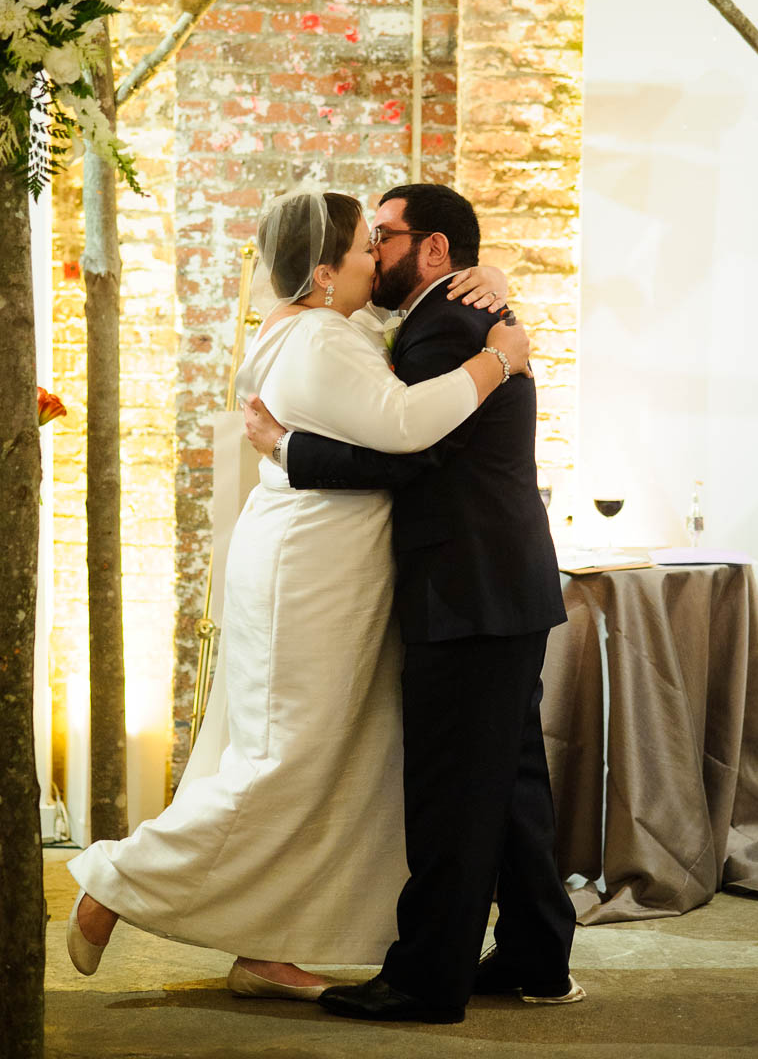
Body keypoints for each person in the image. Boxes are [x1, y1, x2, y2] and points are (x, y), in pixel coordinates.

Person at [65, 188, 527, 1000]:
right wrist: (499, 356)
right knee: (287, 759)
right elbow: (407, 424)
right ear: (322, 274)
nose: (372, 260)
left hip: (326, 562)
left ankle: (265, 947)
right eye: (361, 249)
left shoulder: (326, 328)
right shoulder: (320, 338)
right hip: (309, 570)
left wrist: (482, 270)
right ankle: (118, 877)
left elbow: (399, 324)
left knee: (322, 764)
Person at [244, 183, 581, 1025]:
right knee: (506, 783)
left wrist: (287, 446)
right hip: (499, 583)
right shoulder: (454, 318)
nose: (373, 253)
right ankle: (539, 956)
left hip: (463, 587)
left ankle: (426, 980)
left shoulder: (445, 329)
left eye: (385, 237)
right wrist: (494, 275)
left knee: (449, 795)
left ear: (434, 251)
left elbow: (408, 455)